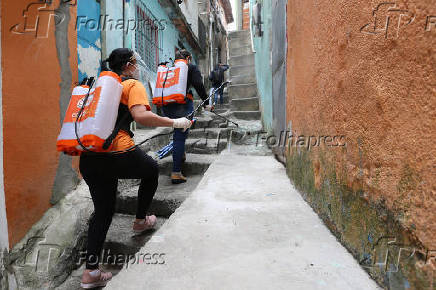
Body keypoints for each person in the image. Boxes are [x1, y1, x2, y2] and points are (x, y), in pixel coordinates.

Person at [80, 48, 192, 289]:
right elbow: (141, 116)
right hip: (117, 151)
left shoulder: (100, 86)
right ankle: (140, 220)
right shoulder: (131, 85)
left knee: (103, 211)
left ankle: (90, 272)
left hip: (89, 155)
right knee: (151, 170)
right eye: (136, 63)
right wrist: (175, 122)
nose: (138, 67)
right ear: (129, 65)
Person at [162, 49, 210, 184]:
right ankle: (176, 172)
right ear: (188, 58)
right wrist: (206, 103)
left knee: (178, 132)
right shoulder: (190, 67)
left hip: (166, 106)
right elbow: (199, 84)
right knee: (180, 136)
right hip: (182, 105)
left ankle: (180, 154)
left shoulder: (170, 69)